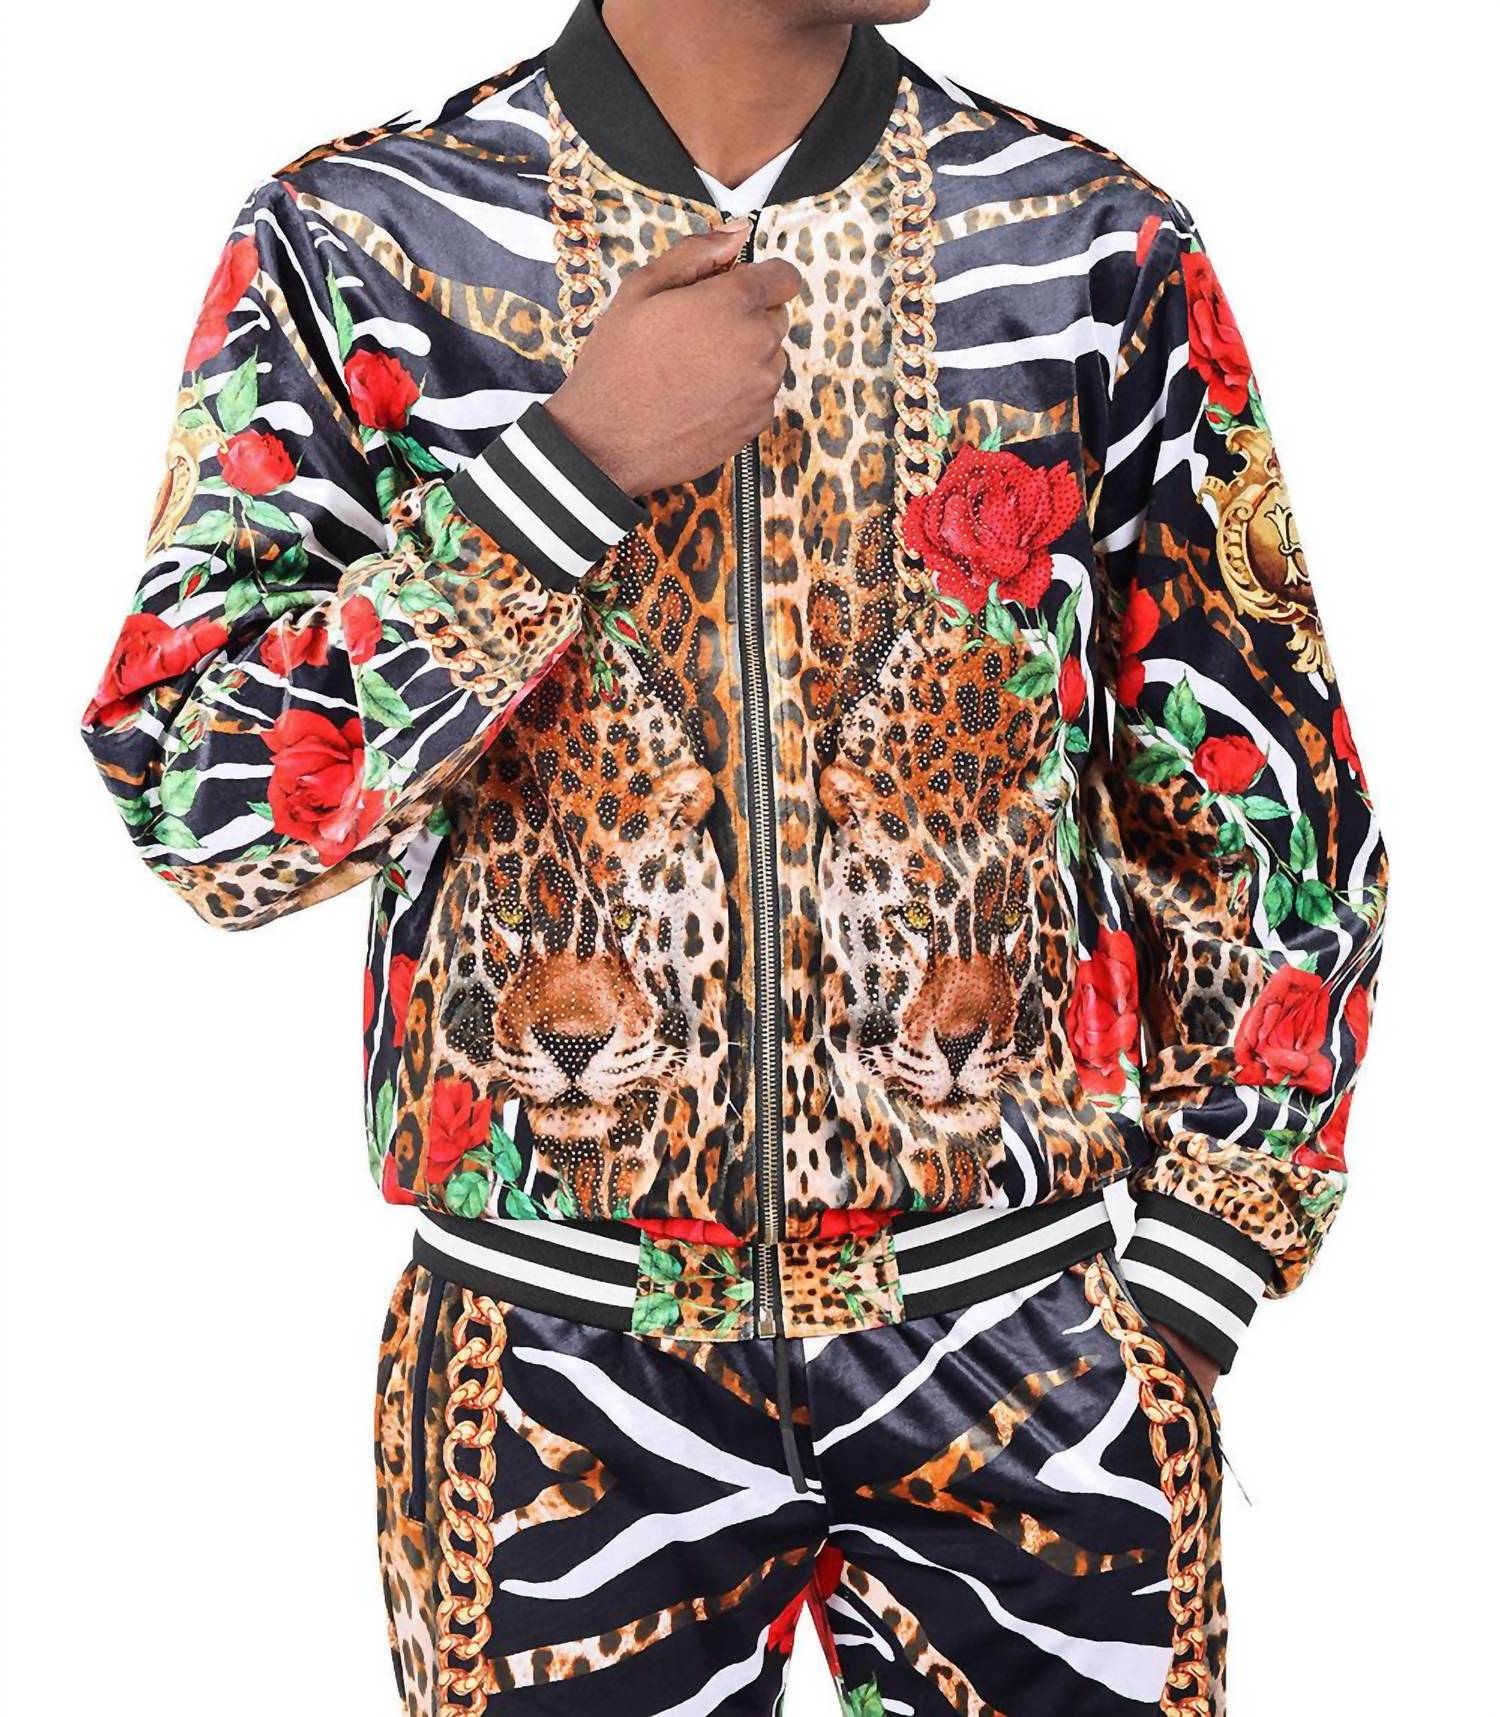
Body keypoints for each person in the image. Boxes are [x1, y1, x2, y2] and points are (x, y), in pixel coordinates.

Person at [80, 2, 1387, 1711]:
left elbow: (1264, 792)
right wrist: (564, 474)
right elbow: (195, 799)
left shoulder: (1088, 246)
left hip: (1029, 1340)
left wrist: (1199, 1269)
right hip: (552, 1366)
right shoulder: (364, 245)